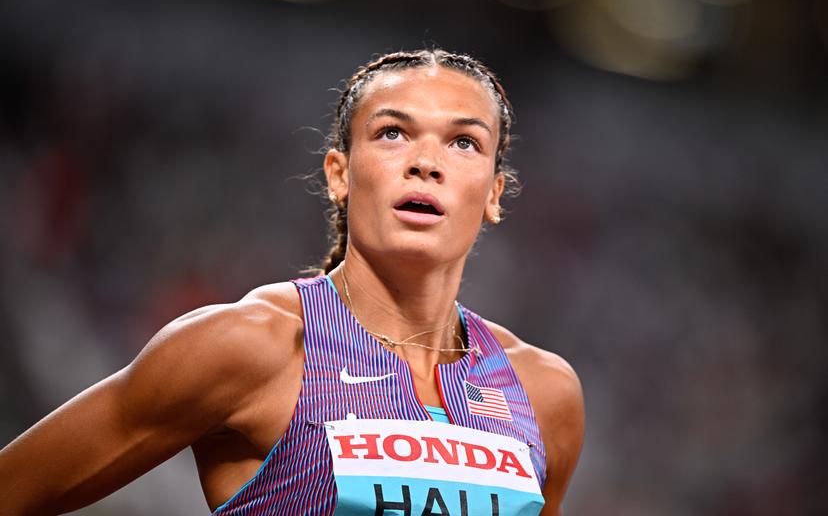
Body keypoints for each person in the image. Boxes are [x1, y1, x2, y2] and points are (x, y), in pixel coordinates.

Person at [0, 49, 584, 515]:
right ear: (338, 175)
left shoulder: (545, 393)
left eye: (464, 142)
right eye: (392, 133)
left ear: (492, 195)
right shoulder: (249, 347)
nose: (425, 162)